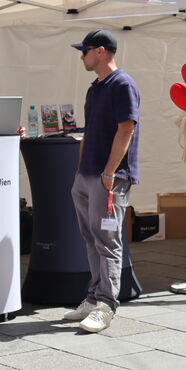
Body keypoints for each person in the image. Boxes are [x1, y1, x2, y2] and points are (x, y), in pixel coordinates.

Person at [64, 29, 140, 333]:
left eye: (84, 51)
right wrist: (81, 170)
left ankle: (107, 304)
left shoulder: (122, 84)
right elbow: (91, 131)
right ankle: (95, 298)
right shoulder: (96, 87)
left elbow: (127, 129)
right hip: (88, 175)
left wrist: (109, 172)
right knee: (91, 237)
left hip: (110, 178)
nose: (82, 56)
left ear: (100, 51)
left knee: (107, 240)